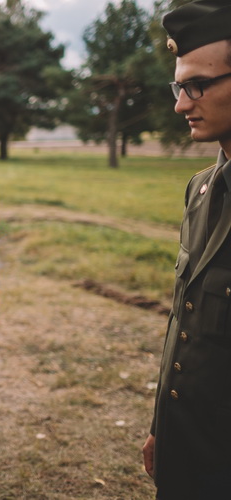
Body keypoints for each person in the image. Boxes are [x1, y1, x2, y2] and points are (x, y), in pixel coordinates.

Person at [144, 2, 231, 498]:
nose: (181, 103)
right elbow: (186, 322)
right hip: (188, 454)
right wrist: (163, 425)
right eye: (179, 86)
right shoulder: (200, 190)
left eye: (197, 84)